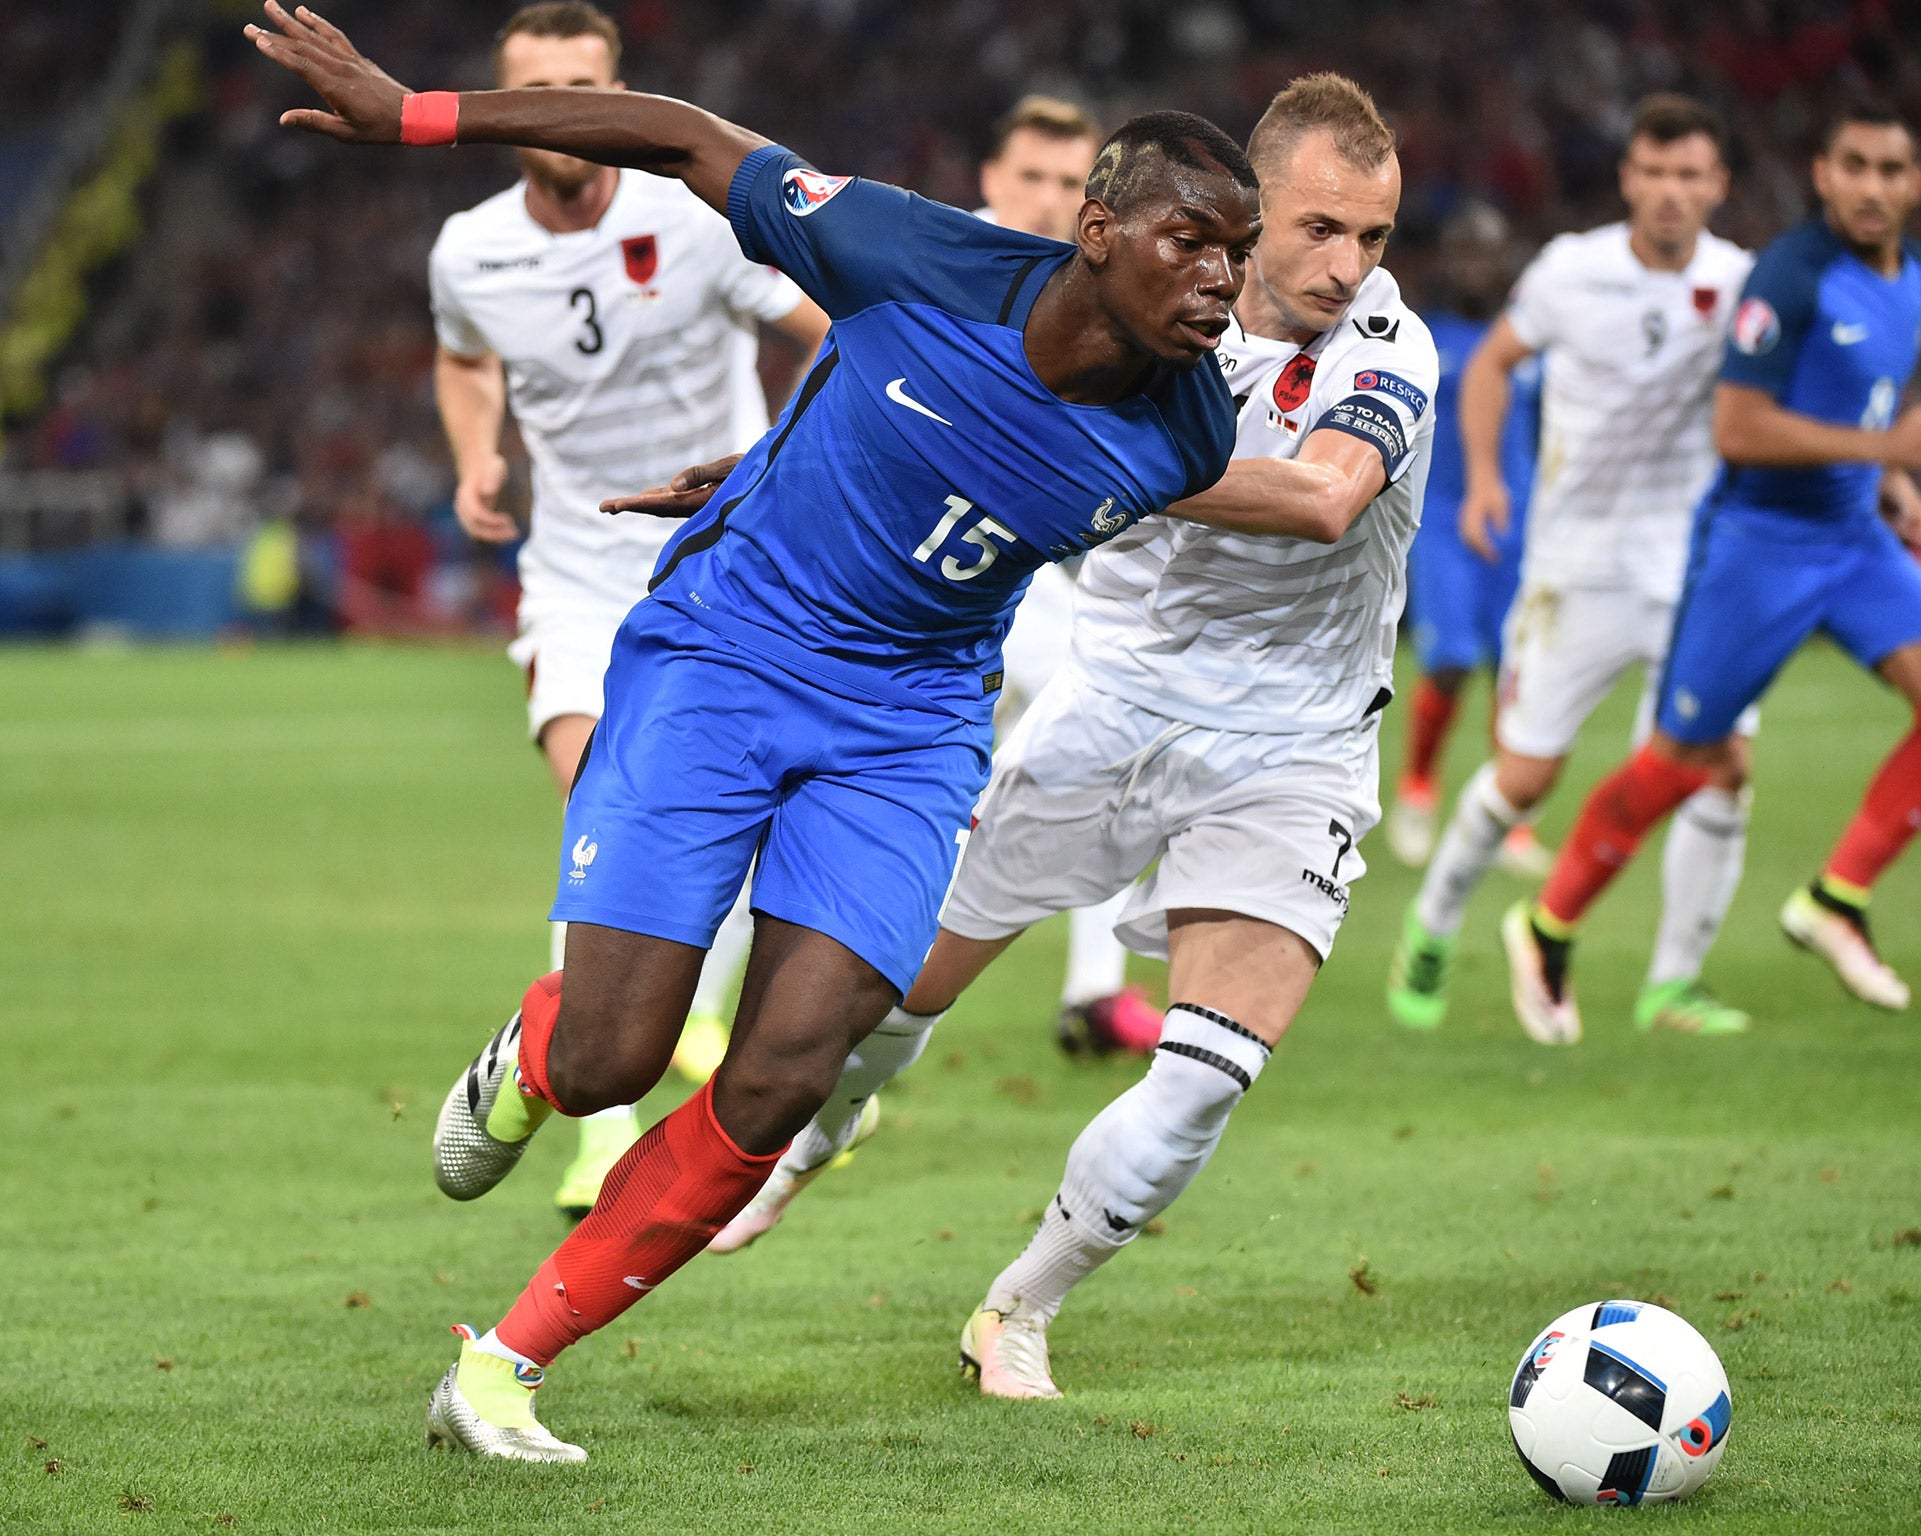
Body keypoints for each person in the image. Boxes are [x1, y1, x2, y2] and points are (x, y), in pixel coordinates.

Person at [247, 0, 1259, 1462]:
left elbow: (970, 486)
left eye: (1238, 252)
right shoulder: (913, 250)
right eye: (1192, 241)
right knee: (613, 1058)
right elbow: (675, 135)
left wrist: (771, 454)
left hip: (909, 727)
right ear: (1095, 229)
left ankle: (504, 1364)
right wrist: (416, 114)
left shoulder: (1190, 431)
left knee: (791, 1063)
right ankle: (536, 1058)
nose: (1221, 278)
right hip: (726, 654)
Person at [707, 73, 1435, 1396]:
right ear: (1246, 210)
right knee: (891, 986)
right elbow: (917, 395)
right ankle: (811, 1141)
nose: (1349, 266)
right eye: (1322, 229)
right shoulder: (1136, 316)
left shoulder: (1389, 349)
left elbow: (1329, 500)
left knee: (1207, 1074)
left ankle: (1018, 1310)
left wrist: (1090, 459)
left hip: (1296, 746)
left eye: (1374, 237)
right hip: (1110, 700)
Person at [427, 1, 827, 1217]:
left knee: (705, 835)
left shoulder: (697, 221)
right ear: (509, 108)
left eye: (582, 82)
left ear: (616, 90)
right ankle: (607, 1118)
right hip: (580, 577)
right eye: (536, 87)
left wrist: (780, 467)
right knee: (609, 819)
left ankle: (654, 1057)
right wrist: (476, 452)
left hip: (726, 572)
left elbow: (827, 331)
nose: (563, 108)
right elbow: (459, 356)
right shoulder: (468, 251)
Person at [1504, 100, 1921, 1042]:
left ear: (1917, 183)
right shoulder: (1788, 278)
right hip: (1758, 552)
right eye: (1855, 165)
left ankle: (1836, 899)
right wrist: (1888, 443)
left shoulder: (1914, 273)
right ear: (1822, 173)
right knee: (1690, 764)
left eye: (1893, 170)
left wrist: (1885, 476)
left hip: (1851, 541)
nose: (1874, 188)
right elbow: (1741, 428)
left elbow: (1860, 393)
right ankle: (1546, 923)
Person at [1385, 94, 1758, 1043]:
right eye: (1656, 173)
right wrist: (1478, 490)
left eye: (1691, 176)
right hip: (1574, 569)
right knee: (1523, 778)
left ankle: (1673, 983)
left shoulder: (1745, 283)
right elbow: (1493, 366)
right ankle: (1432, 924)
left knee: (1722, 767)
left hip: (1694, 573)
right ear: (1629, 178)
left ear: (1718, 185)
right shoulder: (1569, 271)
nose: (1672, 193)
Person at [977, 96, 1165, 1058]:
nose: (1050, 200)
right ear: (990, 182)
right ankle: (717, 1004)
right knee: (823, 791)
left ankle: (1095, 990)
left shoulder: (1104, 291)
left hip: (1031, 583)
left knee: (1119, 741)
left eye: (1070, 184)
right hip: (910, 580)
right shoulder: (937, 261)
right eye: (1034, 178)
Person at [1385, 202, 1548, 877]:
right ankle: (1418, 787)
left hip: (1521, 527)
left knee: (1516, 672)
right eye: (1468, 252)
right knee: (1450, 659)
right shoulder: (1422, 338)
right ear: (1450, 262)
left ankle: (1508, 820)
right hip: (1445, 524)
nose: (1479, 266)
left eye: (1491, 252)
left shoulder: (1531, 343)